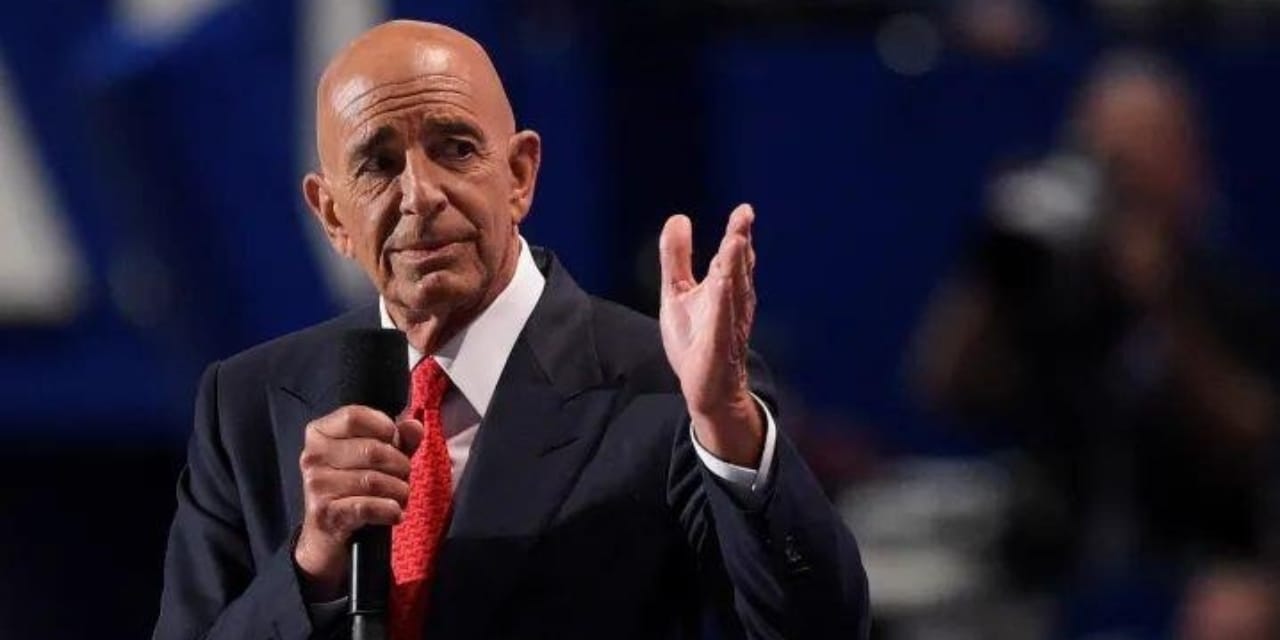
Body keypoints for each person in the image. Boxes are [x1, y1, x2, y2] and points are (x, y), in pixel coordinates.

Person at [152, 20, 868, 640]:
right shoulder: (247, 405)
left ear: (520, 174)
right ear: (332, 215)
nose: (420, 195)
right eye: (378, 164)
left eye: (455, 148)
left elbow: (821, 627)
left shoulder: (667, 387)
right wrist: (313, 567)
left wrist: (726, 418)